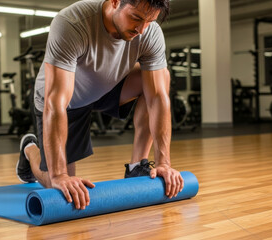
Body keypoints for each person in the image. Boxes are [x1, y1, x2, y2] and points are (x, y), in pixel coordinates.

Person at [16, 0, 184, 210]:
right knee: (59, 188)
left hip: (104, 87)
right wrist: (59, 175)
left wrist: (164, 163)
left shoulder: (149, 33)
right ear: (114, 2)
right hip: (64, 101)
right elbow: (55, 102)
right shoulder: (72, 22)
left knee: (160, 77)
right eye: (136, 18)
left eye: (150, 21)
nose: (142, 30)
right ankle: (29, 149)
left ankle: (136, 166)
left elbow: (157, 97)